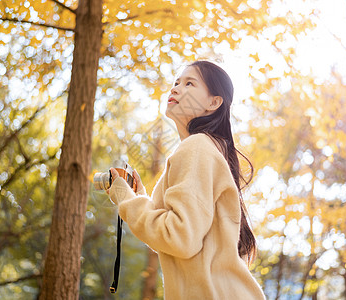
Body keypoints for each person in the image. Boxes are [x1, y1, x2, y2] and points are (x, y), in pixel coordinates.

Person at [107, 60, 266, 299]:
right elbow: (181, 237)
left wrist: (126, 200)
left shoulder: (197, 147)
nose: (175, 88)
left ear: (214, 102)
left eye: (189, 83)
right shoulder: (209, 149)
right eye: (176, 82)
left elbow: (180, 237)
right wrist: (140, 198)